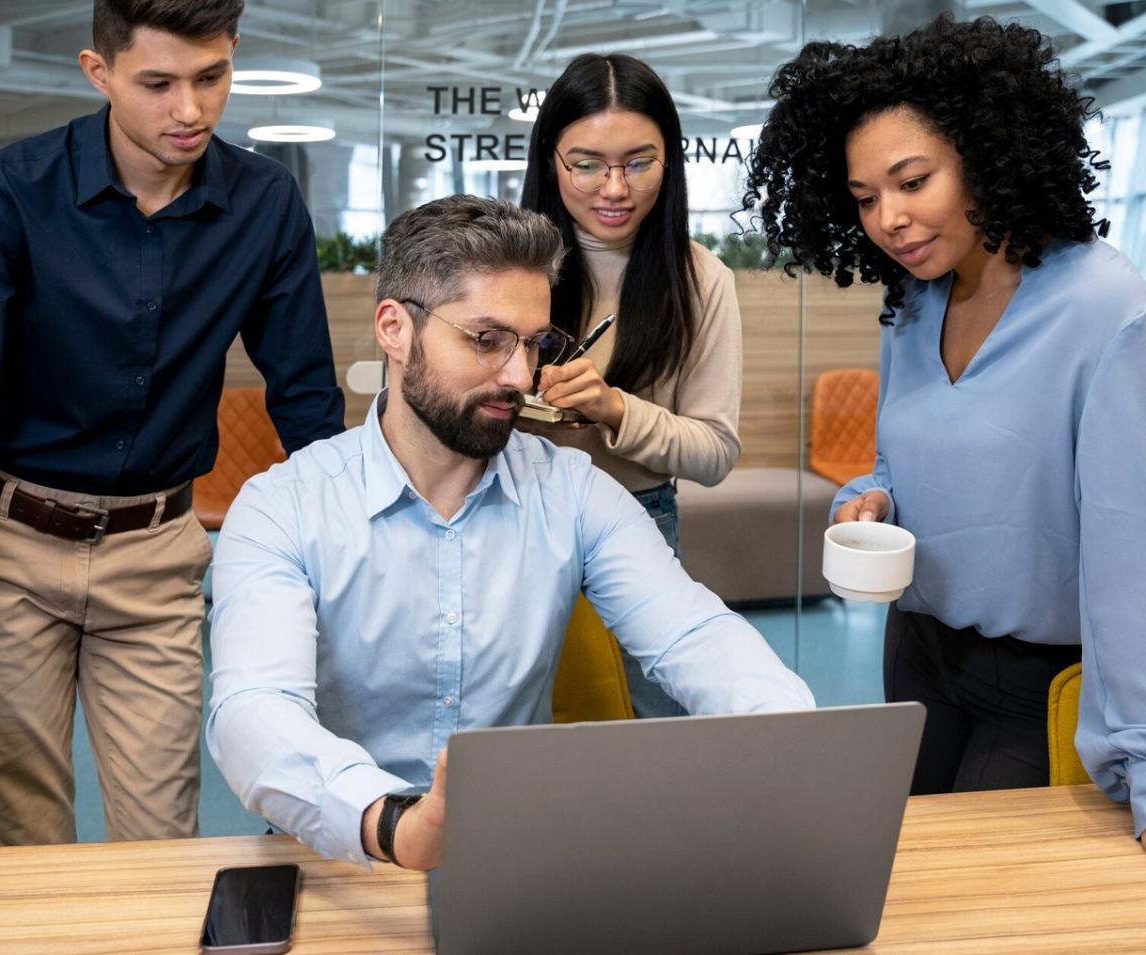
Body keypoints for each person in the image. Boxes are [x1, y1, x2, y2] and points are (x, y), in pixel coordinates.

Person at [743, 13, 1146, 902]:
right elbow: (904, 461)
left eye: (912, 180)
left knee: (980, 905)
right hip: (917, 654)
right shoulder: (914, 302)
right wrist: (871, 498)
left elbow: (1131, 567)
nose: (888, 219)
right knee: (890, 892)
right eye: (863, 197)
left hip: (1034, 683)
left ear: (986, 152)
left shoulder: (1110, 316)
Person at [205, 195, 814, 869]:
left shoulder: (573, 492)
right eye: (486, 339)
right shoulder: (283, 507)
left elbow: (694, 634)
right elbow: (253, 712)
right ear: (394, 329)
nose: (520, 377)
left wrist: (795, 738)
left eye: (534, 344)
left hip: (510, 863)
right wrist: (393, 823)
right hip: (341, 857)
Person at [0, 0, 345, 846]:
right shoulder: (9, 195)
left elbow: (305, 400)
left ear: (233, 53)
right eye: (157, 83)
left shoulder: (264, 204)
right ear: (100, 72)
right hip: (10, 547)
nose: (190, 110)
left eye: (211, 77)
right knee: (21, 834)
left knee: (162, 836)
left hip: (156, 553)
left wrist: (356, 563)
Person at [520, 53, 745, 718]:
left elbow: (714, 452)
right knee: (511, 724)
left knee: (652, 728)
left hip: (637, 520)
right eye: (585, 163)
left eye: (638, 162)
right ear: (549, 160)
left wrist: (612, 408)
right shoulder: (501, 262)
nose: (614, 187)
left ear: (669, 160)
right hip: (508, 514)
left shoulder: (700, 279)